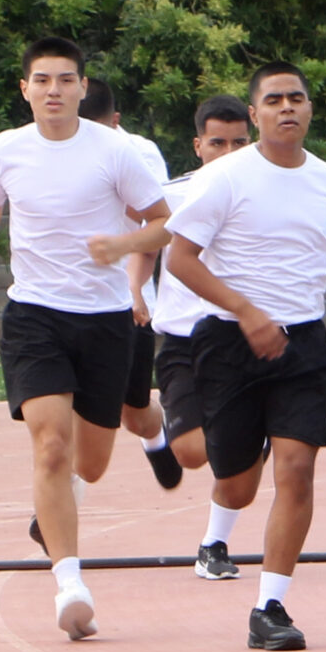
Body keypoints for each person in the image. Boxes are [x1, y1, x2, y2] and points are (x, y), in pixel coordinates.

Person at [0, 38, 170, 640]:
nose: (53, 89)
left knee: (92, 463)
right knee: (51, 446)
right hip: (34, 316)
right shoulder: (3, 151)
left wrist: (123, 246)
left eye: (65, 79)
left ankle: (64, 504)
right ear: (24, 88)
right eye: (42, 79)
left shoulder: (116, 151)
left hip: (105, 320)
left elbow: (163, 222)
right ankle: (70, 582)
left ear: (83, 87)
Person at [158, 63, 326, 652]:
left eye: (297, 98)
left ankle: (270, 605)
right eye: (274, 100)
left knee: (297, 468)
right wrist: (247, 312)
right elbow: (181, 259)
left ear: (310, 109)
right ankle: (230, 507)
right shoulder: (225, 178)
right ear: (255, 114)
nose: (287, 108)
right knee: (239, 486)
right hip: (228, 345)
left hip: (303, 346)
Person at [90, 94, 255, 575]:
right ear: (198, 144)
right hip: (183, 339)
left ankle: (213, 546)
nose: (228, 152)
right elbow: (148, 244)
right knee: (192, 452)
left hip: (241, 337)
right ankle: (169, 430)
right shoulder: (177, 194)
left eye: (240, 142)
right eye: (218, 143)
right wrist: (135, 289)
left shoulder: (266, 190)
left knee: (237, 461)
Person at [79, 79, 181, 486]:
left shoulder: (137, 154)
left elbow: (154, 226)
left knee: (132, 414)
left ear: (115, 121)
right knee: (65, 416)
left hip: (122, 304)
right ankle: (51, 513)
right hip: (61, 306)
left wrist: (134, 288)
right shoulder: (45, 149)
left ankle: (156, 434)